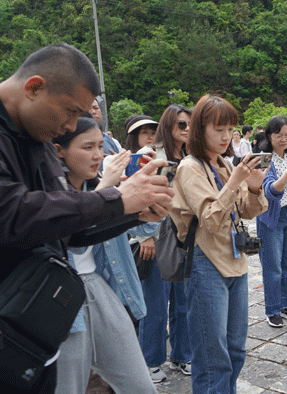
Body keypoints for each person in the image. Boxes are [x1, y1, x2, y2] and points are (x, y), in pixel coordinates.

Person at [0, 43, 172, 393]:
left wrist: (133, 211)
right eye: (69, 111)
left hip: (37, 316)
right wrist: (115, 199)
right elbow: (13, 215)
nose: (68, 125)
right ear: (34, 88)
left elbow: (65, 231)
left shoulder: (39, 137)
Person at [52, 117, 157, 394]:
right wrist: (106, 193)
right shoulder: (49, 195)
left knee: (140, 386)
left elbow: (149, 225)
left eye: (100, 145)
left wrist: (146, 194)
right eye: (87, 147)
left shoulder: (104, 185)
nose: (97, 155)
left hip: (102, 290)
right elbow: (71, 240)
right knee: (67, 387)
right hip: (60, 297)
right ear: (59, 150)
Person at [170, 94, 267, 393]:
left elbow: (249, 210)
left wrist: (254, 187)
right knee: (213, 358)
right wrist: (235, 180)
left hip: (235, 261)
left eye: (230, 129)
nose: (227, 137)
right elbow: (211, 220)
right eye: (218, 129)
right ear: (200, 129)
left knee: (236, 350)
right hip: (205, 263)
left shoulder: (224, 164)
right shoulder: (190, 167)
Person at [136, 104, 193, 382]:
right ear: (168, 126)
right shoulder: (153, 156)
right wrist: (145, 234)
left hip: (185, 236)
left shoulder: (189, 156)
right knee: (156, 303)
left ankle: (183, 354)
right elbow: (140, 197)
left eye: (191, 124)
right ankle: (151, 360)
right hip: (158, 235)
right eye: (182, 125)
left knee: (184, 301)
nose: (187, 129)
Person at [256, 116, 287, 327]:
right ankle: (273, 310)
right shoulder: (264, 159)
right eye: (279, 135)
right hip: (270, 217)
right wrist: (285, 178)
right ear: (270, 136)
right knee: (273, 266)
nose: (284, 139)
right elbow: (268, 190)